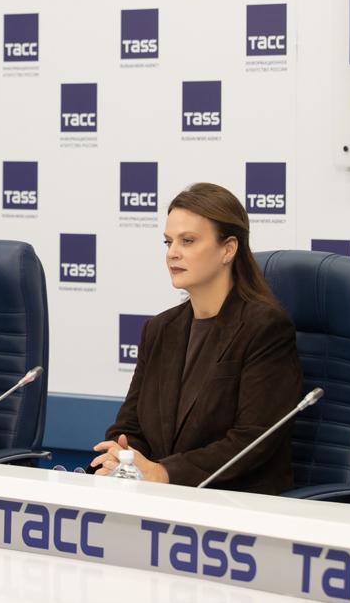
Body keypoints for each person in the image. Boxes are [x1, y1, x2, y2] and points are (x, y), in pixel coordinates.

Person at [92, 183, 302, 493]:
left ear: (228, 249)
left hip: (236, 501)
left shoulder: (265, 327)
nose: (172, 253)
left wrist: (164, 472)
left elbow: (253, 440)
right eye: (168, 242)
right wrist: (123, 457)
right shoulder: (159, 329)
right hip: (161, 498)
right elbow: (130, 426)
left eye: (187, 241)